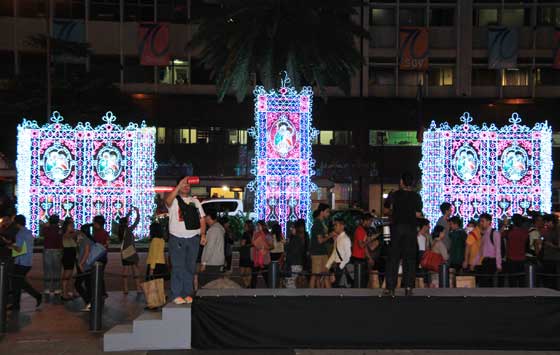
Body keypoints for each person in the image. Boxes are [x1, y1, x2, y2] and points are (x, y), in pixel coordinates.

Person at [165, 176, 206, 304]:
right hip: (177, 238)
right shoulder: (174, 201)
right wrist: (178, 187)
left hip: (193, 238)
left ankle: (187, 293)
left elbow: (202, 219)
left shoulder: (195, 201)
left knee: (190, 267)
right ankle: (176, 294)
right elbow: (167, 201)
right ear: (178, 186)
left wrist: (203, 234)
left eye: (188, 184)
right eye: (183, 184)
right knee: (178, 267)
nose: (186, 186)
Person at [383, 172, 423, 297]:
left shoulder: (394, 195)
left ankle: (390, 288)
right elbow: (418, 214)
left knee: (393, 258)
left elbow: (386, 210)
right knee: (409, 258)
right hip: (411, 229)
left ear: (401, 182)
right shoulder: (416, 196)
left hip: (397, 228)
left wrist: (394, 212)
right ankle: (408, 287)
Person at [2, 215, 42, 311]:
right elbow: (24, 247)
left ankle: (37, 296)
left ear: (16, 223)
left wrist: (9, 244)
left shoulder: (20, 233)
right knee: (18, 283)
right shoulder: (28, 232)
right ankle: (16, 305)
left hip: (21, 261)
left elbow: (19, 249)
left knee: (19, 283)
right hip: (27, 261)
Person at [309, 203, 333, 289]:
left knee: (321, 275)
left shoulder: (321, 223)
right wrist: (330, 236)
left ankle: (320, 293)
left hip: (321, 252)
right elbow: (320, 241)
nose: (328, 214)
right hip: (317, 253)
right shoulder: (318, 223)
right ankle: (310, 295)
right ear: (321, 212)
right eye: (327, 212)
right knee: (315, 275)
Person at [118, 206, 142, 294]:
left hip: (123, 252)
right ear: (126, 223)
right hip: (131, 251)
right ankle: (138, 288)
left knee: (125, 270)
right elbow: (137, 222)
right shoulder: (128, 230)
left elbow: (125, 220)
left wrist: (129, 213)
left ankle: (125, 289)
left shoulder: (120, 229)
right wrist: (137, 212)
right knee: (135, 269)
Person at [199, 210, 225, 287]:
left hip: (211, 262)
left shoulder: (213, 230)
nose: (205, 222)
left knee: (208, 285)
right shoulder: (219, 228)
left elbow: (209, 247)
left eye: (206, 219)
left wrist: (204, 262)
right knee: (215, 285)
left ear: (209, 218)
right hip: (217, 261)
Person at [326, 217, 352, 288]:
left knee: (341, 288)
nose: (334, 227)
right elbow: (334, 253)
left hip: (342, 266)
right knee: (337, 288)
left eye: (336, 225)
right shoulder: (338, 238)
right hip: (338, 266)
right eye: (334, 225)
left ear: (342, 226)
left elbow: (348, 256)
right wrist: (327, 266)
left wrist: (340, 267)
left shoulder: (345, 239)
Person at [504, 214, 529, 287]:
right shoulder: (525, 232)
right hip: (522, 258)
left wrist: (506, 225)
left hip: (511, 258)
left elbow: (501, 234)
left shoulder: (509, 232)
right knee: (522, 280)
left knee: (512, 280)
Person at [478, 213, 502, 287]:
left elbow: (498, 249)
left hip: (491, 262)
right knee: (484, 283)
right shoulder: (484, 233)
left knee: (488, 284)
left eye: (483, 221)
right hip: (484, 261)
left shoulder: (495, 233)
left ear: (489, 222)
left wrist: (498, 265)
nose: (481, 223)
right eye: (480, 221)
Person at [42, 214, 63, 296]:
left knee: (47, 270)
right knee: (57, 270)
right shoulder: (60, 229)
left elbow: (42, 234)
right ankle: (57, 289)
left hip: (47, 250)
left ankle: (47, 288)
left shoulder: (46, 229)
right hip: (57, 250)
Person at [352, 213, 374, 288]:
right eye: (370, 221)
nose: (371, 223)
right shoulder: (360, 230)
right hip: (358, 258)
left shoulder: (363, 230)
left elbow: (364, 247)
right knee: (359, 281)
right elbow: (361, 245)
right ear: (366, 221)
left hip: (361, 258)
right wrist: (369, 240)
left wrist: (369, 258)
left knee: (362, 280)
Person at [75, 224, 94, 311]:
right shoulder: (87, 238)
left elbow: (86, 252)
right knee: (88, 284)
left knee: (78, 284)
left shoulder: (86, 240)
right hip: (87, 265)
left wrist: (80, 264)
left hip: (85, 265)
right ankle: (90, 303)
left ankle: (89, 303)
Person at [285, 221, 306, 288]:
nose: (291, 229)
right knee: (296, 283)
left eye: (292, 227)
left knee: (292, 284)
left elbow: (293, 251)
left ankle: (292, 297)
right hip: (298, 263)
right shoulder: (300, 238)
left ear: (296, 229)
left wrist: (287, 245)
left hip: (294, 263)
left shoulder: (295, 239)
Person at [251, 220, 272, 288]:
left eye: (259, 225)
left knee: (266, 276)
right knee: (254, 276)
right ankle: (252, 291)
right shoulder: (255, 234)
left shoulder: (267, 234)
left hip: (264, 258)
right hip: (256, 258)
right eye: (256, 225)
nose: (257, 227)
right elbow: (253, 243)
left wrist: (265, 248)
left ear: (263, 226)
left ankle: (270, 290)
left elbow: (272, 246)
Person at [541, 214, 560, 290]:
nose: (545, 224)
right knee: (549, 280)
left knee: (554, 280)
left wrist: (549, 244)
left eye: (546, 222)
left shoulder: (558, 230)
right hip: (548, 258)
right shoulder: (547, 230)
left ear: (551, 222)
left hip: (555, 259)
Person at [60, 217, 78, 300]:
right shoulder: (65, 234)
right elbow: (71, 235)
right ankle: (64, 293)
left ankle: (68, 292)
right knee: (67, 274)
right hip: (68, 254)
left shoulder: (70, 234)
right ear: (67, 226)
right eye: (71, 225)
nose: (73, 227)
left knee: (70, 274)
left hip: (71, 253)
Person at [93, 215, 110, 298]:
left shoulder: (97, 233)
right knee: (100, 275)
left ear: (97, 223)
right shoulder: (105, 232)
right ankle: (102, 292)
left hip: (97, 257)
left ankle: (100, 292)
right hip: (103, 256)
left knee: (97, 275)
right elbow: (107, 244)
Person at [239, 220, 254, 288]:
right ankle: (248, 285)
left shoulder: (245, 234)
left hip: (244, 254)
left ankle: (246, 285)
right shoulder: (254, 233)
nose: (244, 226)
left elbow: (242, 244)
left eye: (245, 225)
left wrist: (241, 243)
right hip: (251, 254)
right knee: (249, 271)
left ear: (248, 226)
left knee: (242, 272)